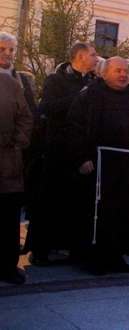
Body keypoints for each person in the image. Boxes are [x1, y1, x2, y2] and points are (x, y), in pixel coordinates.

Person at [66, 57, 129, 275]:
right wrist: (82, 157)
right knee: (101, 213)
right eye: (117, 71)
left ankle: (117, 256)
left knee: (125, 212)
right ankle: (95, 258)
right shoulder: (90, 94)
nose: (123, 74)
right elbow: (75, 127)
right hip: (102, 164)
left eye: (126, 71)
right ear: (104, 74)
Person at [26, 42, 98, 266]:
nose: (97, 58)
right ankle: (41, 250)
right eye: (93, 55)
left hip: (82, 150)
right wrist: (80, 96)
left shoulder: (94, 83)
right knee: (50, 202)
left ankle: (72, 248)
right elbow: (47, 107)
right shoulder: (56, 80)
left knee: (76, 204)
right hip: (58, 151)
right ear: (80, 56)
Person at [0, 74, 33, 284]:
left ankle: (6, 267)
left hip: (6, 161)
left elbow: (25, 116)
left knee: (7, 218)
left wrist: (18, 140)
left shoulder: (9, 84)